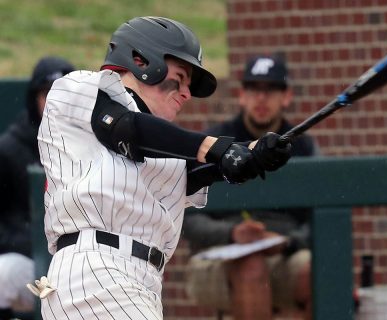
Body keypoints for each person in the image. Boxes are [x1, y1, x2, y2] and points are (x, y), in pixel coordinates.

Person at [28, 17, 292, 320]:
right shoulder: (77, 89)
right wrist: (216, 148)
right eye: (179, 78)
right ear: (140, 60)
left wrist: (256, 151)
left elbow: (205, 164)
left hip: (137, 282)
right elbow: (125, 130)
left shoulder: (165, 147)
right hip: (95, 269)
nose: (186, 93)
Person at [183, 54, 318, 320]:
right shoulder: (215, 141)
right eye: (254, 90)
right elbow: (188, 219)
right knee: (252, 267)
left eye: (271, 90)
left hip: (286, 254)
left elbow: (321, 218)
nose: (261, 99)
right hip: (220, 255)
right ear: (242, 95)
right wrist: (234, 234)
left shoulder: (304, 147)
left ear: (287, 96)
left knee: (318, 271)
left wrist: (287, 243)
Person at [0, 56, 75, 320]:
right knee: (3, 274)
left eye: (64, 95)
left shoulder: (94, 145)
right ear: (35, 99)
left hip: (84, 264)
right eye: (48, 94)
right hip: (35, 267)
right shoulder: (9, 149)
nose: (57, 103)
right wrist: (32, 241)